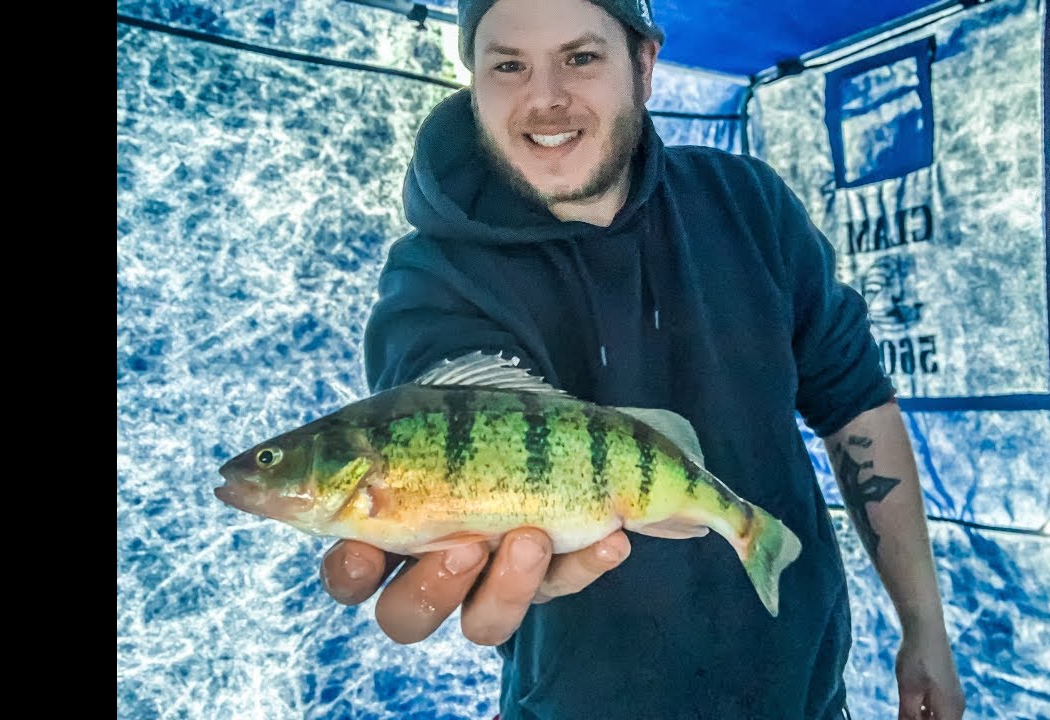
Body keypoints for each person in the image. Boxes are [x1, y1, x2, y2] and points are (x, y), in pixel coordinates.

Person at [319, 0, 966, 718]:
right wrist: (459, 532)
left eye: (581, 58)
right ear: (473, 80)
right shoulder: (432, 278)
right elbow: (446, 397)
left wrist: (925, 627)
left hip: (808, 700)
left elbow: (855, 404)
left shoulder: (749, 204)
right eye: (508, 65)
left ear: (645, 65)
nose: (545, 98)